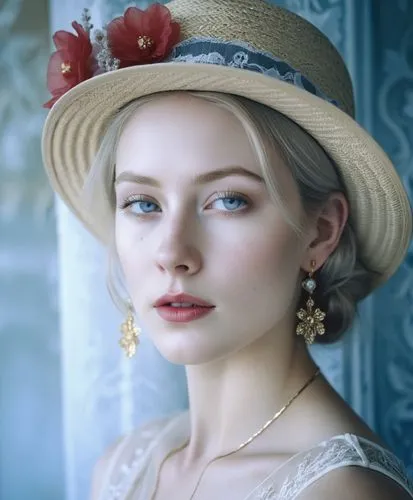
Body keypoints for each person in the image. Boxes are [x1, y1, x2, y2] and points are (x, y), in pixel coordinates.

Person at [41, 1, 413, 499]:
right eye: (142, 203)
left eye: (229, 200)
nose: (172, 253)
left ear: (321, 232)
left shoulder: (342, 491)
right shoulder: (125, 465)